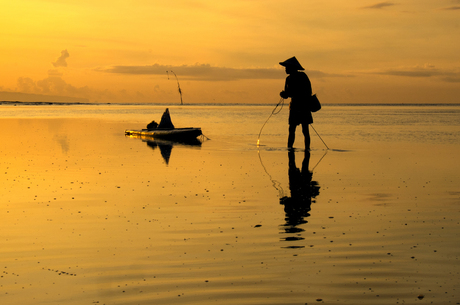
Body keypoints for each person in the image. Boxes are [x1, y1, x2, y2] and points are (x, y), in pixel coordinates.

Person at [279, 56, 313, 150]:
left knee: (305, 130)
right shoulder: (288, 79)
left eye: (287, 67)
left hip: (303, 106)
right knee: (292, 129)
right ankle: (290, 148)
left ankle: (307, 149)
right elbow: (287, 94)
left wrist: (288, 94)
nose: (285, 69)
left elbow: (307, 91)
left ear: (292, 68)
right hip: (294, 107)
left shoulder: (302, 76)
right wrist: (283, 94)